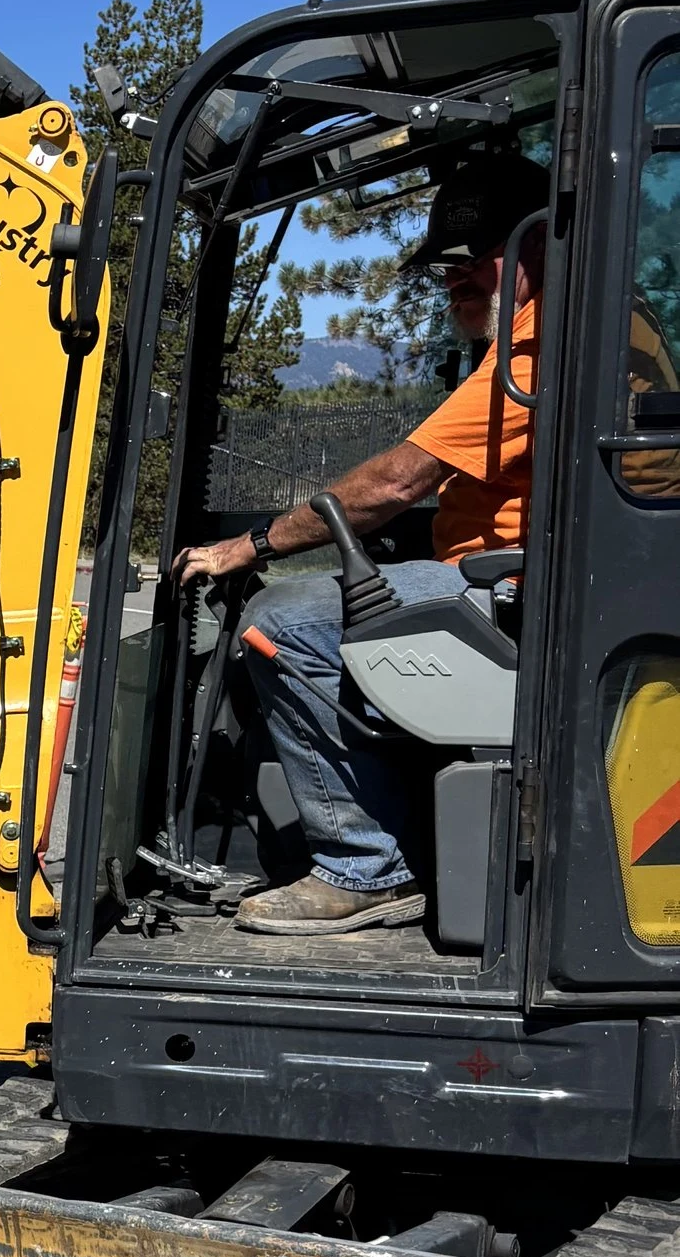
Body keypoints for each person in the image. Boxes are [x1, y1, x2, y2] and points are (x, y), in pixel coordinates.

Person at [171, 151, 546, 936]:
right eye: (443, 266)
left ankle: (367, 866)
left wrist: (253, 545)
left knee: (280, 626)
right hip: (516, 579)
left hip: (516, 595)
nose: (453, 280)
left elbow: (395, 482)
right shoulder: (566, 329)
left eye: (471, 258)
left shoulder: (541, 347)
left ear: (539, 244)